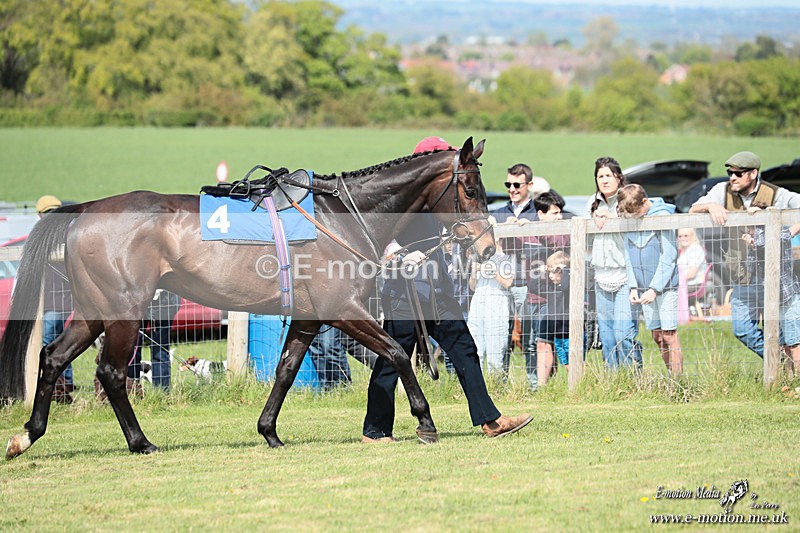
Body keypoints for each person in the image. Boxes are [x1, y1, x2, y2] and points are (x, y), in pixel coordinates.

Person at [361, 137, 532, 443]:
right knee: (392, 359)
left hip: (438, 290)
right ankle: (375, 431)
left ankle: (489, 420)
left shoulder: (439, 199)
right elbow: (380, 236)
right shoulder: (401, 200)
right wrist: (399, 254)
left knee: (465, 350)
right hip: (405, 293)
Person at [689, 150, 800, 359]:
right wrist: (711, 206)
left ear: (753, 173)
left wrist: (784, 234)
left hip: (772, 274)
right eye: (730, 172)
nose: (732, 177)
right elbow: (692, 210)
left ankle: (781, 372)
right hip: (742, 275)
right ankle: (778, 362)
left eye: (738, 173)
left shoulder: (776, 194)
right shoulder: (721, 191)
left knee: (779, 332)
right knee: (742, 330)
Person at [617, 184, 684, 375]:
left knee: (669, 335)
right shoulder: (630, 218)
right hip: (643, 289)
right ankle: (670, 374)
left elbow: (669, 256)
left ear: (645, 202)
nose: (634, 218)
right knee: (657, 336)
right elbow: (628, 255)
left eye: (637, 213)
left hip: (664, 287)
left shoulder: (662, 216)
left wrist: (655, 288)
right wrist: (633, 287)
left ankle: (678, 383)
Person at [585, 157, 642, 370]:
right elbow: (584, 239)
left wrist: (611, 217)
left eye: (608, 175)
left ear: (618, 177)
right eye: (600, 176)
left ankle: (632, 375)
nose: (604, 180)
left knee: (623, 332)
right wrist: (593, 220)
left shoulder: (627, 199)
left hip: (625, 275)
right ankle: (613, 379)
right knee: (607, 336)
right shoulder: (592, 203)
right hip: (601, 275)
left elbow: (635, 230)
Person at [492, 163, 541, 384]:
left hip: (526, 281)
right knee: (502, 335)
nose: (512, 189)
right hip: (501, 281)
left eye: (517, 185)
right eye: (508, 184)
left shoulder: (537, 213)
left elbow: (545, 248)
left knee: (529, 338)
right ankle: (501, 382)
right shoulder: (499, 214)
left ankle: (533, 384)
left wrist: (525, 232)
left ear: (529, 185)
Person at [523, 190, 569, 389]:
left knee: (555, 343)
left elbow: (556, 243)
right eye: (554, 213)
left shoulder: (563, 233)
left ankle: (568, 386)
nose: (559, 217)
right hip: (533, 296)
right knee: (536, 343)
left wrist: (534, 230)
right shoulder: (527, 234)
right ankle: (541, 387)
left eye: (560, 212)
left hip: (554, 298)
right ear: (540, 214)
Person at [36, 195, 74, 403]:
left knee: (54, 341)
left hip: (60, 301)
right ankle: (61, 385)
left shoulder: (65, 235)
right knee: (58, 341)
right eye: (49, 213)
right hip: (51, 301)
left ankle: (60, 386)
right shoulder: (43, 236)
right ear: (40, 214)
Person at [467, 240, 514, 375]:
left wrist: (491, 270)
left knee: (495, 351)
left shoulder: (508, 257)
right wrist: (474, 273)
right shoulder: (479, 256)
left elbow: (508, 282)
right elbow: (472, 286)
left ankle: (496, 389)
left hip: (497, 304)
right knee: (476, 349)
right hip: (477, 303)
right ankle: (476, 386)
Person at [528, 250, 571, 387]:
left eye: (555, 272)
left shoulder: (568, 287)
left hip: (569, 330)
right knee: (564, 358)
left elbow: (565, 285)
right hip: (557, 332)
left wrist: (566, 270)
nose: (551, 276)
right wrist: (542, 271)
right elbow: (533, 286)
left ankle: (576, 385)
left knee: (571, 361)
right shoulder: (551, 288)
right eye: (550, 272)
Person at [127, 289, 181, 391]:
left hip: (163, 301)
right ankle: (131, 389)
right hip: (140, 300)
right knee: (134, 349)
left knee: (159, 350)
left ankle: (161, 394)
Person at [676, 228, 709, 293]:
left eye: (686, 236)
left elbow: (691, 274)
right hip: (684, 283)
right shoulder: (686, 250)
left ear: (693, 236)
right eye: (680, 236)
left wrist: (674, 280)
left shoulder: (695, 249)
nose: (682, 238)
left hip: (694, 284)